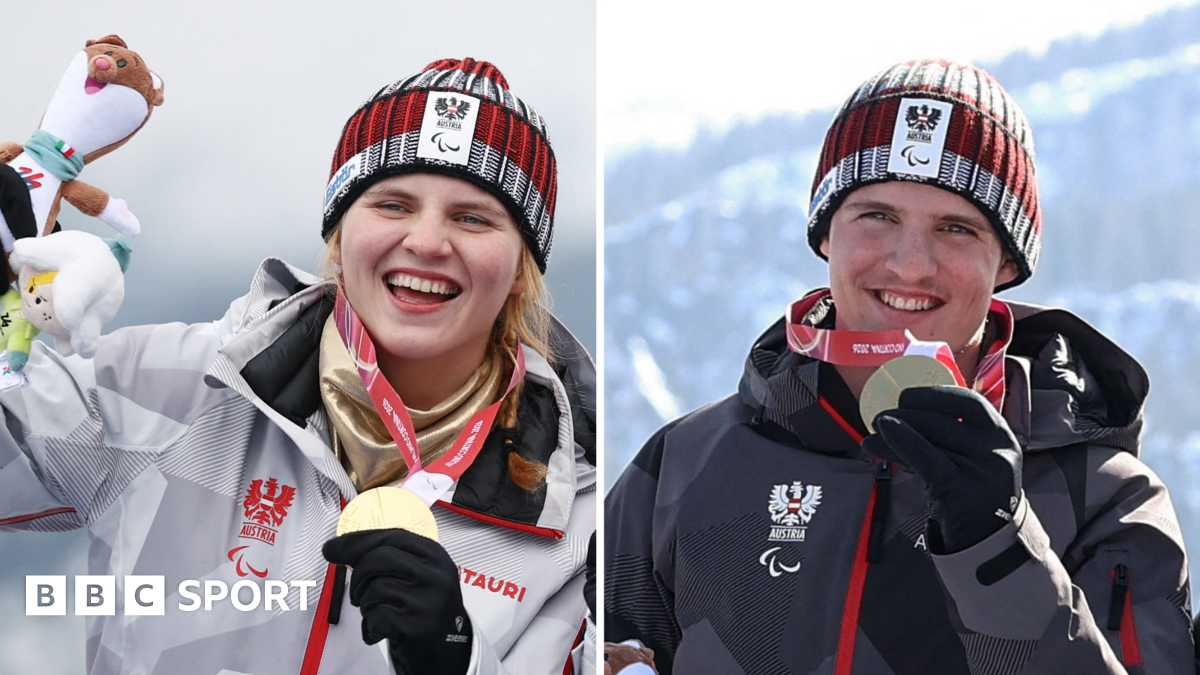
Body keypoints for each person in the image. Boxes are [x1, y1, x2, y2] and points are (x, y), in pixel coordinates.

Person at [0, 57, 595, 675]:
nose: (426, 242)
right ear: (338, 235)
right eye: (392, 204)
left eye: (473, 218)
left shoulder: (575, 519)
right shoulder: (179, 389)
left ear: (522, 269)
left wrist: (457, 658)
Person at [604, 60, 1192, 674]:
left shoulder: (1106, 495)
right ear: (825, 233)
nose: (911, 265)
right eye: (877, 216)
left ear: (1008, 265)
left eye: (957, 228)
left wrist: (1001, 548)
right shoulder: (680, 468)